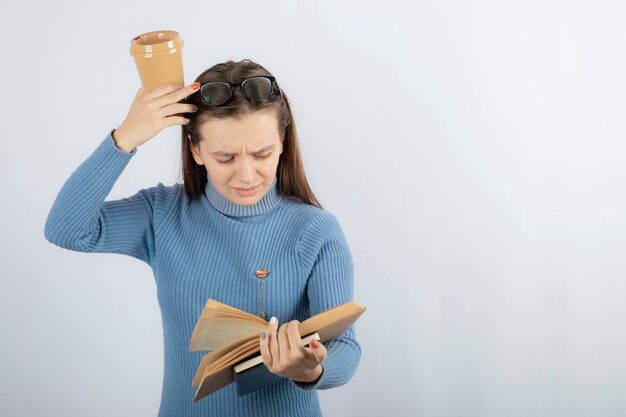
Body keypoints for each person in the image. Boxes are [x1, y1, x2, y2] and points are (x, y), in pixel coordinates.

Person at [44, 59, 361, 417]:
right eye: (225, 157)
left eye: (262, 154)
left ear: (283, 142)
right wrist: (125, 138)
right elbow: (65, 229)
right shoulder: (162, 214)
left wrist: (311, 369)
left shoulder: (315, 230)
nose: (246, 174)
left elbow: (346, 349)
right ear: (196, 150)